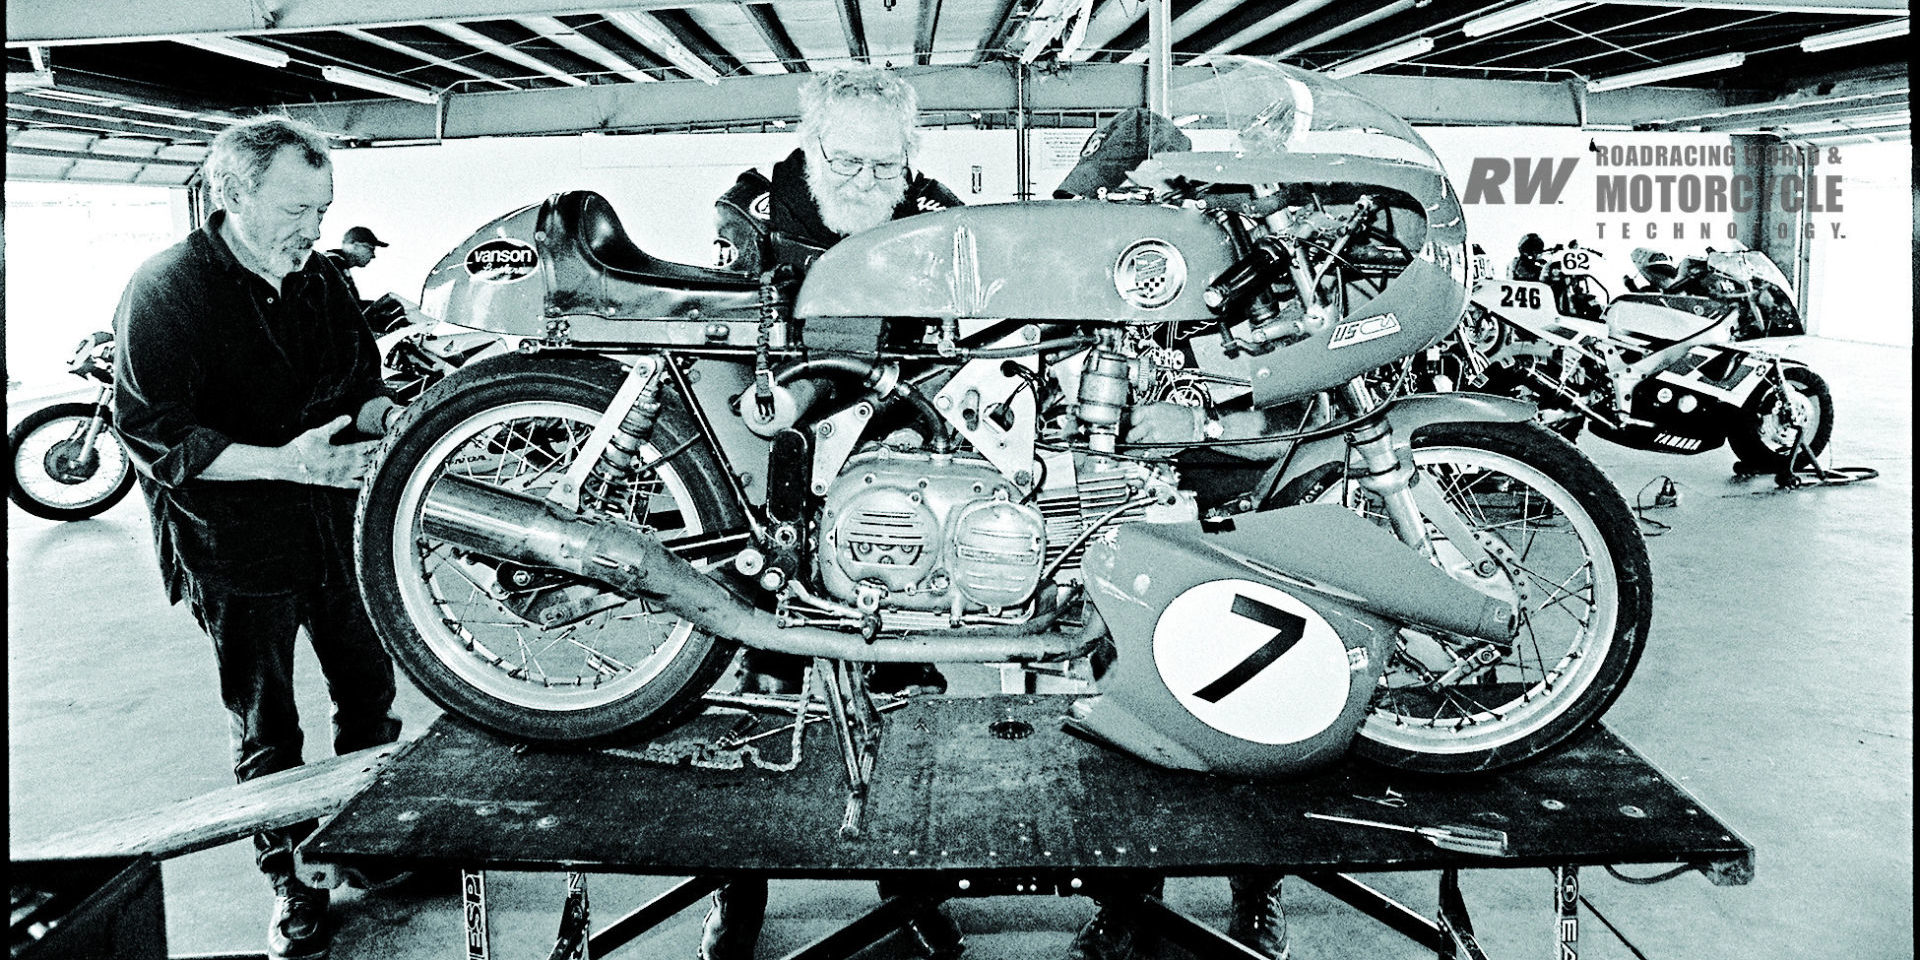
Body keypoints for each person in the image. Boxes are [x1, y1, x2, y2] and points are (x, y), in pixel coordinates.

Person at [113, 116, 406, 960]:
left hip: (336, 532)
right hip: (233, 544)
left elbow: (360, 384)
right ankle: (289, 877)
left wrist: (405, 419)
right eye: (295, 210)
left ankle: (367, 844)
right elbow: (154, 430)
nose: (313, 231)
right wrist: (285, 463)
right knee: (267, 726)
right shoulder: (167, 288)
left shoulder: (321, 283)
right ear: (232, 196)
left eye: (323, 209)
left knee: (369, 697)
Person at [698, 65, 965, 960]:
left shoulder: (934, 214)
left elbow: (966, 351)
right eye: (844, 162)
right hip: (772, 497)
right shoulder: (752, 216)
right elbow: (707, 344)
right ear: (810, 144)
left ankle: (911, 888)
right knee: (760, 700)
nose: (863, 183)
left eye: (882, 166)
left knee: (907, 695)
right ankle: (739, 889)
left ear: (911, 155)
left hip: (893, 504)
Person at [323, 225, 406, 332]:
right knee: (391, 308)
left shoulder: (334, 263)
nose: (373, 255)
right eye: (370, 249)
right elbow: (341, 308)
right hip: (325, 335)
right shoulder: (332, 263)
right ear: (355, 246)